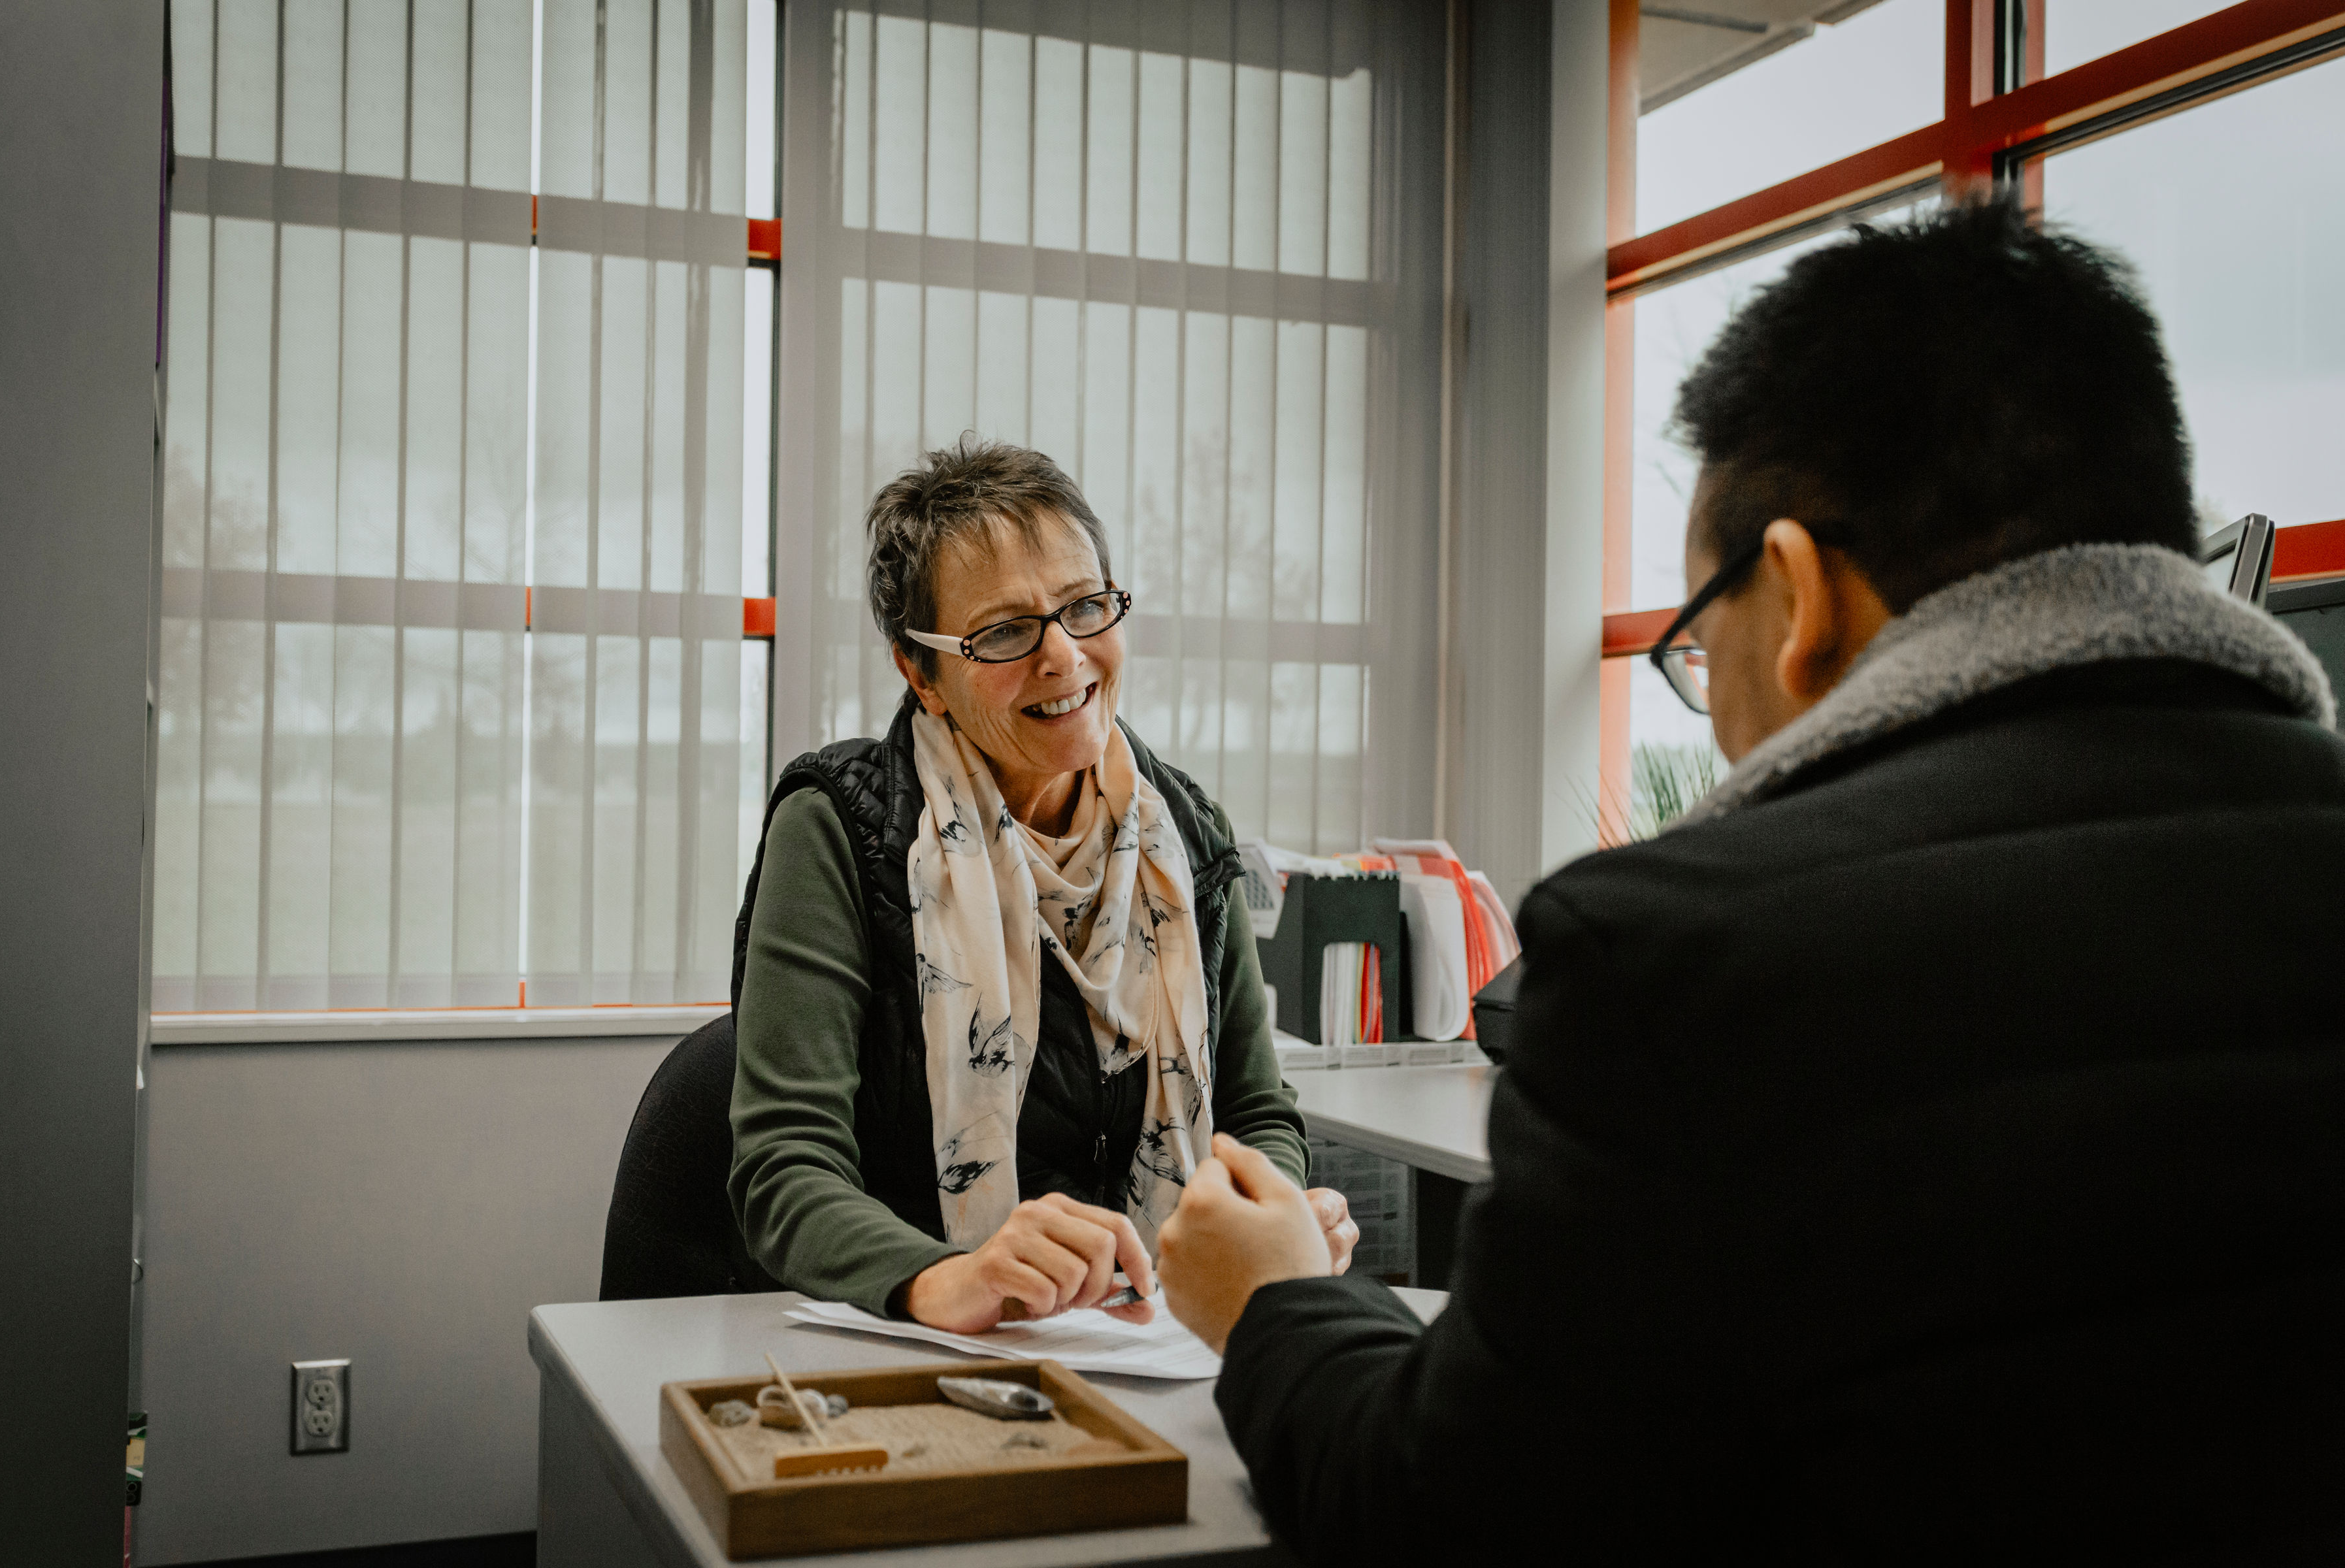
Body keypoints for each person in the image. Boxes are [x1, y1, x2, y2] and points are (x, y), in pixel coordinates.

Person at [1156, 199, 2345, 1558]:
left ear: (1798, 590)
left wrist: (1274, 1308)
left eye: (1701, 647)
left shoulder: (1689, 956)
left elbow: (1452, 1518)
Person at [729, 438, 1359, 1333]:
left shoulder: (1181, 829)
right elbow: (784, 1169)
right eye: (1005, 631)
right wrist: (947, 1277)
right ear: (922, 671)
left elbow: (1256, 1113)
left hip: (1156, 1341)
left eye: (1085, 607)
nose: (1063, 656)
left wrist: (1276, 1218)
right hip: (908, 1349)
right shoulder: (841, 830)